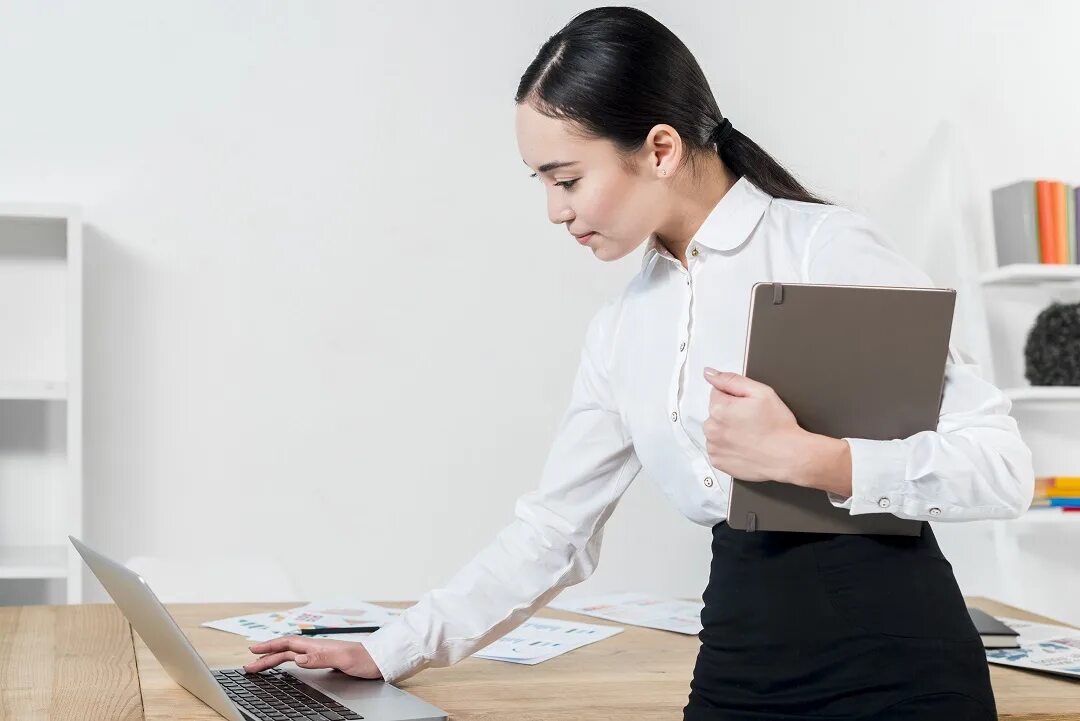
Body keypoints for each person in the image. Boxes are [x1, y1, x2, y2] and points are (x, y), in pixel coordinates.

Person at [244, 7, 1034, 719]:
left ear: (659, 148)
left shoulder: (825, 248)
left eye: (567, 179)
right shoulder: (624, 327)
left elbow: (1000, 467)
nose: (555, 209)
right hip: (739, 665)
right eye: (544, 183)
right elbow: (554, 531)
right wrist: (389, 647)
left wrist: (817, 459)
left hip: (894, 670)